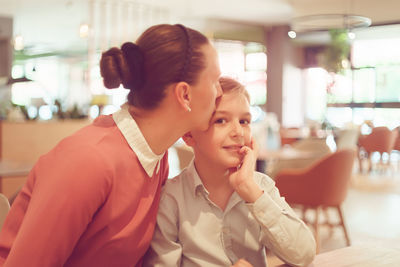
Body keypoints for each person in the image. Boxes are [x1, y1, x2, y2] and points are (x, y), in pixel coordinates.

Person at [0, 24, 222, 267]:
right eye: (214, 81)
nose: (219, 92)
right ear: (185, 95)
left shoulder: (156, 158)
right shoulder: (88, 161)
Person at [143, 77, 316, 267]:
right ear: (189, 134)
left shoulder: (260, 187)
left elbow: (304, 254)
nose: (238, 132)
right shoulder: (171, 198)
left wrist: (251, 192)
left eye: (244, 121)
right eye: (221, 120)